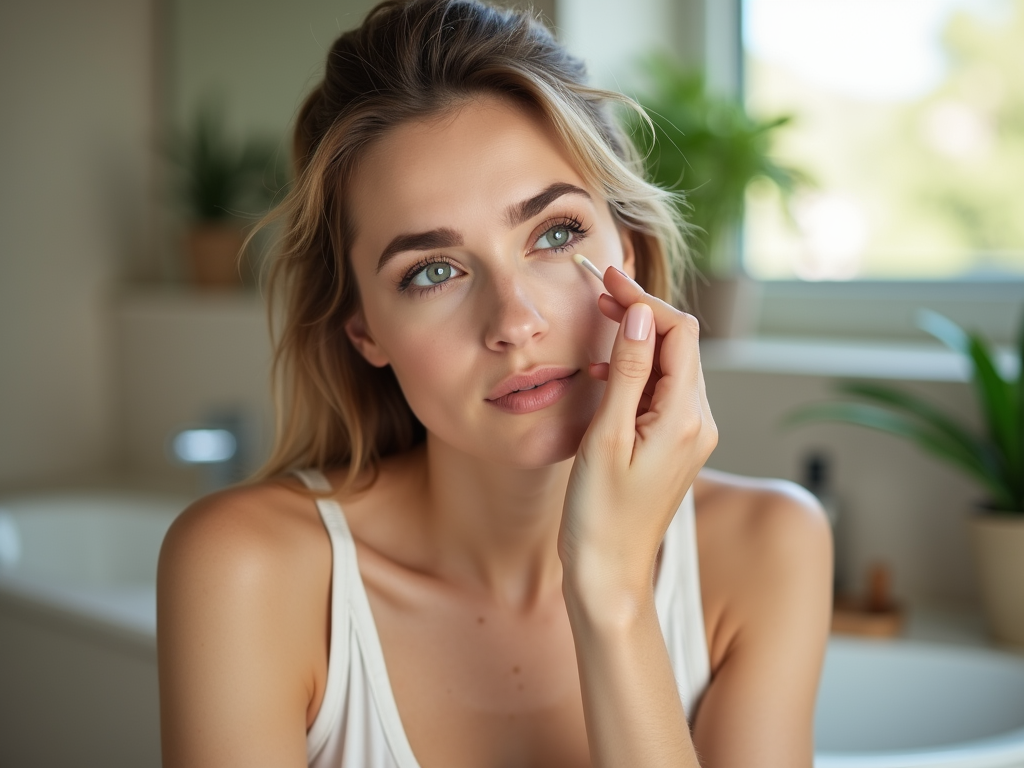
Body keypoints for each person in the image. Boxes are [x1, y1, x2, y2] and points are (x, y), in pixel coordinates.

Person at [156, 1, 833, 766]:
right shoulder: (246, 571)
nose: (515, 321)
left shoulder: (768, 550)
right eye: (433, 271)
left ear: (632, 254)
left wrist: (612, 597)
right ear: (365, 331)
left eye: (555, 233)